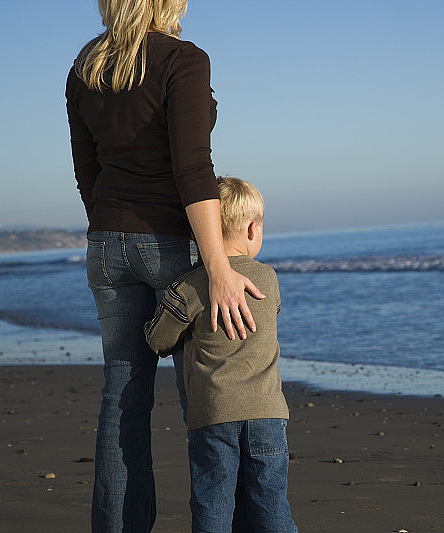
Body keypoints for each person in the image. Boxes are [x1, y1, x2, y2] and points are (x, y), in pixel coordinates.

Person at [65, 1, 264, 531]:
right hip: (169, 246)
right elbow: (193, 168)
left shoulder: (87, 67)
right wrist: (220, 268)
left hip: (106, 243)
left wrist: (111, 230)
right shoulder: (183, 60)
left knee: (123, 396)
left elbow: (88, 172)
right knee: (203, 397)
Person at [145, 177, 296, 532]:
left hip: (213, 415)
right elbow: (271, 314)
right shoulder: (268, 279)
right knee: (270, 504)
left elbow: (158, 340)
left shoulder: (191, 286)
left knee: (213, 503)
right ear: (251, 229)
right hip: (267, 414)